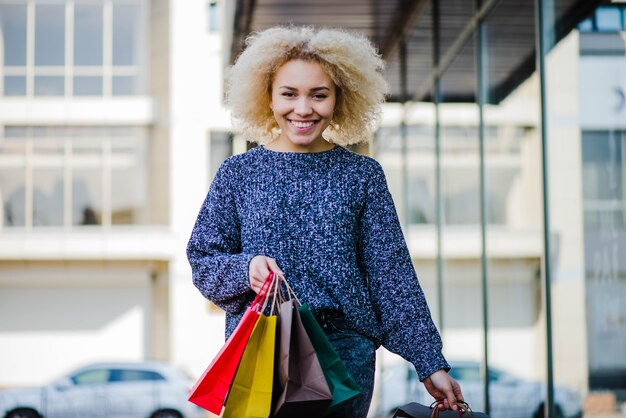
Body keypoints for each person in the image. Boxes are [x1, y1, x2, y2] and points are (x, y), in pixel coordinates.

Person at [187, 26, 463, 418]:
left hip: (345, 357)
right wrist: (245, 268)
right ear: (267, 96)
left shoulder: (362, 176)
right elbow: (203, 258)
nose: (303, 109)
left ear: (340, 99)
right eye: (289, 94)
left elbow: (391, 276)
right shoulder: (238, 173)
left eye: (319, 95)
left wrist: (428, 361)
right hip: (262, 353)